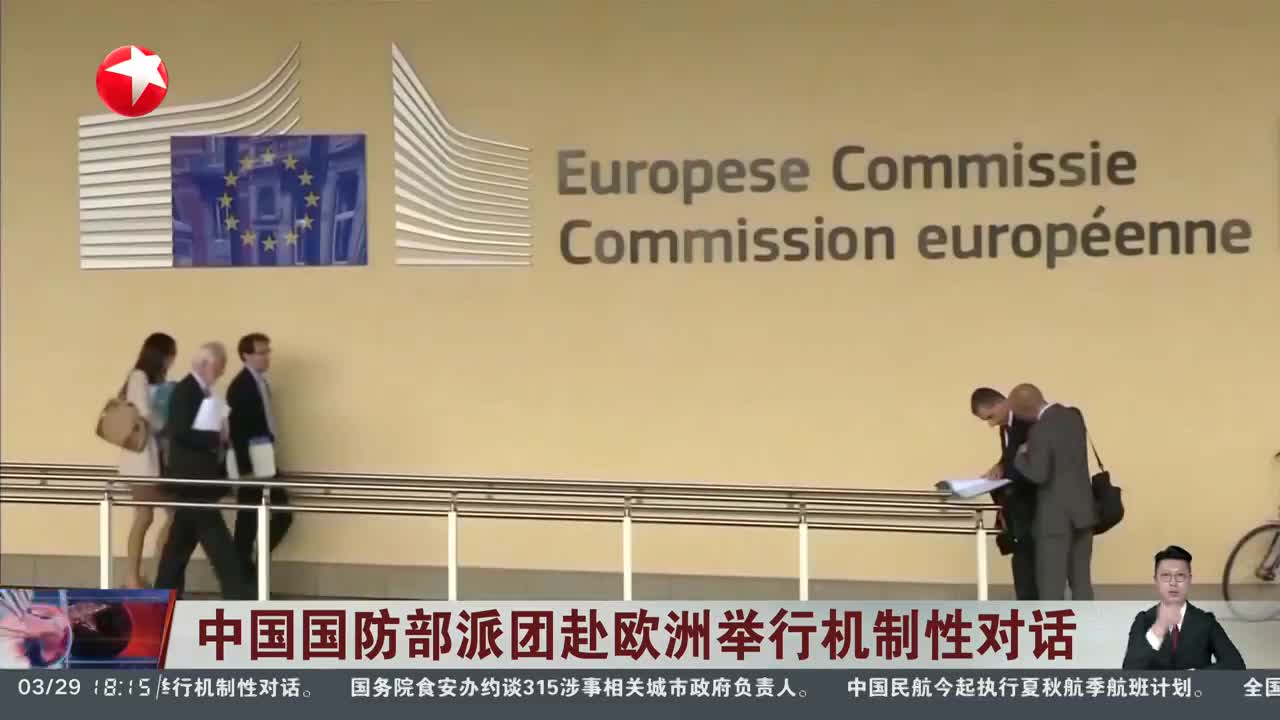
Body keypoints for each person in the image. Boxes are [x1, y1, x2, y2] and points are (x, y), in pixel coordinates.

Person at [153, 342, 250, 599]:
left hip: (196, 479)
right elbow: (181, 431)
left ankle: (162, 597)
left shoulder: (200, 392)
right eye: (219, 367)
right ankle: (238, 595)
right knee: (219, 546)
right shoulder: (187, 390)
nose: (221, 373)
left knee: (179, 546)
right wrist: (216, 437)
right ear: (205, 364)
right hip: (193, 479)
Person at [1010, 383, 1096, 600]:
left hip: (1054, 518)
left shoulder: (1039, 429)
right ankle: (1088, 621)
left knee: (1051, 585)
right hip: (1083, 511)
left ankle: (1053, 623)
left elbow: (1039, 474)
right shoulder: (1074, 417)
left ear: (1024, 411)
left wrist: (1020, 456)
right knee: (1082, 582)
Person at [228, 332, 293, 580]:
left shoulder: (260, 383)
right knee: (250, 521)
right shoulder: (241, 387)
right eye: (261, 352)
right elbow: (237, 431)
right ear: (246, 355)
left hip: (265, 460)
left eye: (268, 351)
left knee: (264, 519)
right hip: (253, 465)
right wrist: (247, 470)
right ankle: (242, 577)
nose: (267, 357)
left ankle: (246, 573)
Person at [1122, 545, 1245, 670]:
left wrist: (1192, 676)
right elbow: (1129, 671)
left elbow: (1236, 665)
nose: (1173, 583)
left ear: (1189, 580)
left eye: (1180, 575)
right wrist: (1159, 627)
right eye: (1165, 576)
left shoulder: (1205, 621)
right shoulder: (1143, 621)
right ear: (1156, 581)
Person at [118, 332, 177, 589]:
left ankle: (146, 575)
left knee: (150, 516)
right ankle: (137, 577)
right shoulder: (139, 376)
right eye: (171, 355)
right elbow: (144, 413)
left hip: (154, 461)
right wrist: (168, 421)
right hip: (141, 462)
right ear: (161, 355)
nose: (172, 361)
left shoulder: (153, 380)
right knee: (153, 515)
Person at [970, 387, 1038, 600]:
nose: (991, 424)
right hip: (1017, 506)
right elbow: (1010, 456)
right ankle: (1026, 607)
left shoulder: (1029, 423)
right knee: (1021, 564)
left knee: (1035, 566)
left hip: (1035, 505)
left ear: (1002, 403)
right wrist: (1000, 466)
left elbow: (1033, 462)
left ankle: (1039, 612)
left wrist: (1009, 471)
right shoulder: (1005, 427)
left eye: (990, 417)